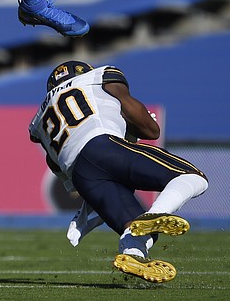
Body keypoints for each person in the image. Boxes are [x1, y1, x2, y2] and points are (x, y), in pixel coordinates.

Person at [28, 60, 209, 283]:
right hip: (102, 146)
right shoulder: (98, 77)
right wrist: (137, 128)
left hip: (81, 176)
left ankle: (132, 255)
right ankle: (156, 213)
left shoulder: (39, 121)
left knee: (135, 230)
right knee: (192, 177)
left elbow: (59, 169)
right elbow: (150, 130)